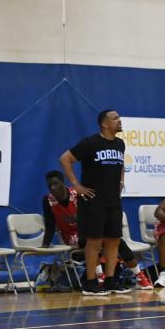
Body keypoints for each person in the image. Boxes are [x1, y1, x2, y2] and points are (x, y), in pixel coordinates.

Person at [42, 171, 152, 292]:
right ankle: (100, 276)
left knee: (116, 240)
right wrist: (45, 243)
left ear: (63, 183)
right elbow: (50, 224)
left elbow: (93, 216)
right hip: (72, 236)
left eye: (56, 184)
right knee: (91, 240)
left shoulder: (78, 194)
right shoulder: (48, 200)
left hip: (90, 228)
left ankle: (139, 275)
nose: (53, 188)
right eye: (50, 185)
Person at [59, 110, 131, 296]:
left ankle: (110, 281)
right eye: (115, 118)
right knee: (95, 241)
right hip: (93, 200)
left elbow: (121, 164)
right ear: (105, 124)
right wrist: (76, 185)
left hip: (113, 200)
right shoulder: (90, 143)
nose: (119, 120)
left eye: (119, 117)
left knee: (114, 240)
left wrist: (121, 181)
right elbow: (65, 159)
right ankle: (90, 283)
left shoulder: (120, 144)